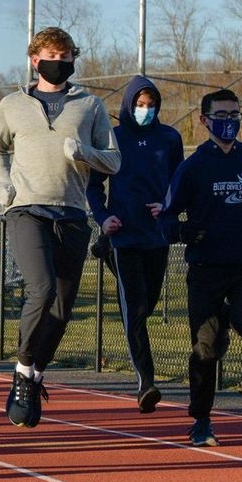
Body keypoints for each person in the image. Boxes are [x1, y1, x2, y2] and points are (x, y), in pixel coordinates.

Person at [0, 26, 121, 429]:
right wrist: (3, 187)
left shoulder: (90, 105)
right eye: (51, 56)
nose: (58, 64)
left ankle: (30, 373)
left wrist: (85, 151)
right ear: (34, 59)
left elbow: (114, 161)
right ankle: (24, 366)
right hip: (27, 209)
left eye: (65, 58)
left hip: (72, 213)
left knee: (62, 307)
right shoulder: (12, 103)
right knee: (42, 289)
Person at [157, 89, 242, 447]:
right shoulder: (192, 167)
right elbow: (165, 215)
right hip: (205, 269)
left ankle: (229, 316)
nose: (229, 122)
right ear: (204, 120)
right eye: (222, 115)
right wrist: (179, 230)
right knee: (205, 348)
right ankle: (202, 420)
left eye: (235, 114)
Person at [87, 76, 183, 413]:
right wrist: (103, 218)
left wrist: (169, 207)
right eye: (140, 105)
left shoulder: (170, 138)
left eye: (151, 104)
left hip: (156, 237)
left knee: (149, 304)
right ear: (129, 104)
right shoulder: (113, 138)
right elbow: (94, 186)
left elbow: (179, 182)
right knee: (136, 310)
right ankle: (146, 381)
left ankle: (101, 250)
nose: (146, 110)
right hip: (123, 235)